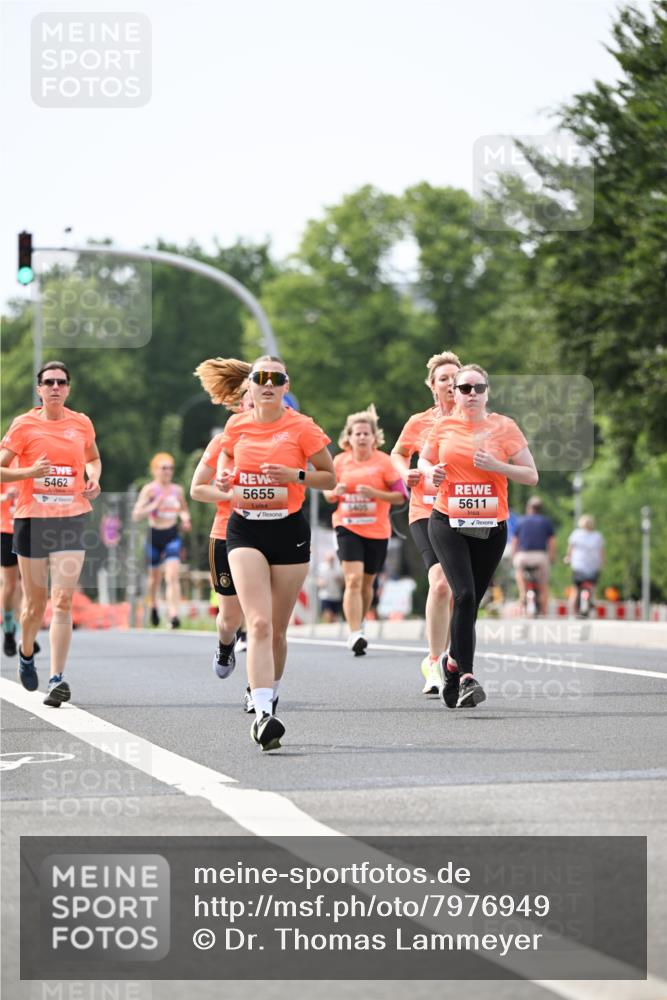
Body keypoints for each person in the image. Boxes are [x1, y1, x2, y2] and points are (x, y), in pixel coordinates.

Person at [204, 355, 334, 751]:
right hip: (243, 529)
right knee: (257, 624)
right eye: (260, 377)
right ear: (250, 386)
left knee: (277, 629)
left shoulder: (302, 427)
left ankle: (270, 691)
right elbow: (225, 458)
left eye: (275, 378)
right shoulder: (236, 424)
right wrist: (225, 475)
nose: (267, 383)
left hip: (288, 530)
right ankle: (262, 713)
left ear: (285, 385)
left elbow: (330, 476)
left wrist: (295, 475)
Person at [420, 363, 538, 709]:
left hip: (491, 525)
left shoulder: (504, 427)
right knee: (465, 595)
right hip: (447, 520)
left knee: (471, 604)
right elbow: (424, 462)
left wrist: (498, 467)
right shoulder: (442, 426)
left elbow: (531, 476)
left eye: (478, 388)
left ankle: (452, 661)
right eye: (465, 388)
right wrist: (433, 472)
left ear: (488, 392)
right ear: (453, 393)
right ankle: (468, 677)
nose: (472, 394)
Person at [0, 360, 101, 706]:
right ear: (39, 389)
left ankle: (57, 678)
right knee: (35, 603)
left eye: (61, 382)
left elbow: (93, 458)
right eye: (49, 382)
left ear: (68, 388)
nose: (55, 387)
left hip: (71, 518)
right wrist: (31, 470)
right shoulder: (23, 425)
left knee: (62, 599)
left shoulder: (81, 423)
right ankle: (27, 653)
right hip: (32, 520)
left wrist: (94, 477)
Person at [392, 350, 461, 694]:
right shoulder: (420, 422)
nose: (450, 384)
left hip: (464, 512)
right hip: (426, 509)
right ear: (432, 386)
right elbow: (398, 453)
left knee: (458, 591)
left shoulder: (476, 422)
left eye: (455, 378)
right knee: (440, 584)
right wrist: (407, 474)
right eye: (443, 379)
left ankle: (449, 655)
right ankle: (435, 662)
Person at [324, 405, 406, 656]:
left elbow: (401, 496)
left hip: (377, 530)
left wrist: (375, 494)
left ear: (374, 437)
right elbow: (327, 494)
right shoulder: (339, 461)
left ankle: (360, 622)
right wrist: (334, 492)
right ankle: (354, 633)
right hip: (347, 526)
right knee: (353, 579)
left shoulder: (384, 462)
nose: (361, 437)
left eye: (365, 433)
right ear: (348, 437)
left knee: (367, 583)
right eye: (356, 433)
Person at [190, 379, 251, 685]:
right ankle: (225, 645)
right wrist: (231, 495)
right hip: (226, 532)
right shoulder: (223, 442)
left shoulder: (283, 437)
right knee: (230, 618)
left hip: (267, 532)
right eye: (249, 402)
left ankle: (259, 689)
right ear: (241, 405)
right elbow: (197, 489)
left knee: (260, 618)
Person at [132, 452, 191, 629]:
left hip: (171, 535)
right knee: (154, 579)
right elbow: (136, 515)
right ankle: (154, 606)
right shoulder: (149, 490)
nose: (168, 471)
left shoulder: (177, 490)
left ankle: (173, 614)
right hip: (154, 536)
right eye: (164, 468)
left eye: (171, 468)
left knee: (172, 575)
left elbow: (183, 509)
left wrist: (186, 519)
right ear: (155, 470)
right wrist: (153, 505)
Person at [511, 496, 556, 615]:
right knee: (544, 584)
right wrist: (551, 557)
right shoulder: (546, 522)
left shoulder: (521, 521)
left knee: (518, 571)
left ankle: (522, 592)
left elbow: (515, 541)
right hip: (540, 556)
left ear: (528, 508)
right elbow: (551, 542)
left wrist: (513, 557)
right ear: (541, 509)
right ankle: (544, 609)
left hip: (523, 556)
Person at [1, 462, 21, 656]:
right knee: (10, 585)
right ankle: (8, 629)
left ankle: (26, 636)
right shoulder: (4, 461)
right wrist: (5, 497)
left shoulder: (35, 460)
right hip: (6, 530)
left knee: (28, 587)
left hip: (29, 529)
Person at [565, 514, 605, 615]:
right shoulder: (597, 536)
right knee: (592, 587)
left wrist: (568, 558)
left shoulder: (576, 534)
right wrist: (602, 562)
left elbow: (570, 550)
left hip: (578, 566)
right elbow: (601, 552)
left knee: (575, 590)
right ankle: (591, 600)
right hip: (592, 567)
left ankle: (572, 612)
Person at [316, 550, 344, 622]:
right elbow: (317, 580)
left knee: (335, 617)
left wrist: (339, 580)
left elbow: (343, 583)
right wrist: (321, 583)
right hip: (325, 595)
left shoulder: (338, 569)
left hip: (336, 596)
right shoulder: (321, 568)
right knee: (327, 615)